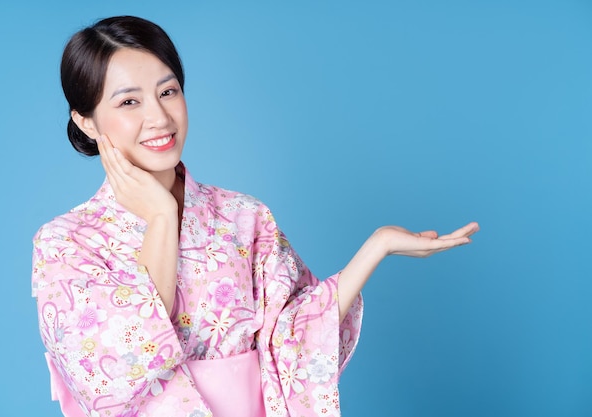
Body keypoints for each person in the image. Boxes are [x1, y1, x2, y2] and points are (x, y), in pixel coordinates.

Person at [31, 15, 479, 417]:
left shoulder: (243, 216)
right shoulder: (65, 243)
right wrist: (163, 217)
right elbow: (116, 375)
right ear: (87, 121)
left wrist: (376, 247)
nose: (160, 117)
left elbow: (294, 337)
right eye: (129, 102)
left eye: (168, 91)